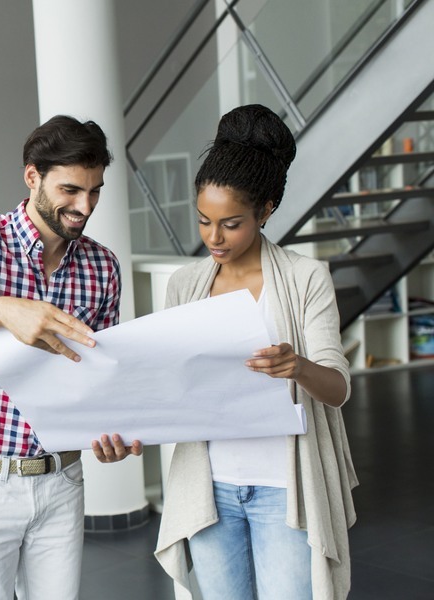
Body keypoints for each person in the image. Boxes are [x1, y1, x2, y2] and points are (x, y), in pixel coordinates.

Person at [0, 115, 140, 600]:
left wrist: (116, 428)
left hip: (62, 480)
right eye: (71, 190)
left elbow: (103, 375)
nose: (85, 206)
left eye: (95, 191)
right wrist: (5, 309)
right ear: (32, 176)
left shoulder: (102, 266)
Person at [152, 104, 358, 599]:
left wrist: (298, 366)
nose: (214, 238)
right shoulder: (185, 284)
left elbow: (338, 389)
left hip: (284, 489)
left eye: (232, 224)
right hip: (211, 489)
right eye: (204, 221)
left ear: (266, 211)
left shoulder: (306, 278)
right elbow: (170, 387)